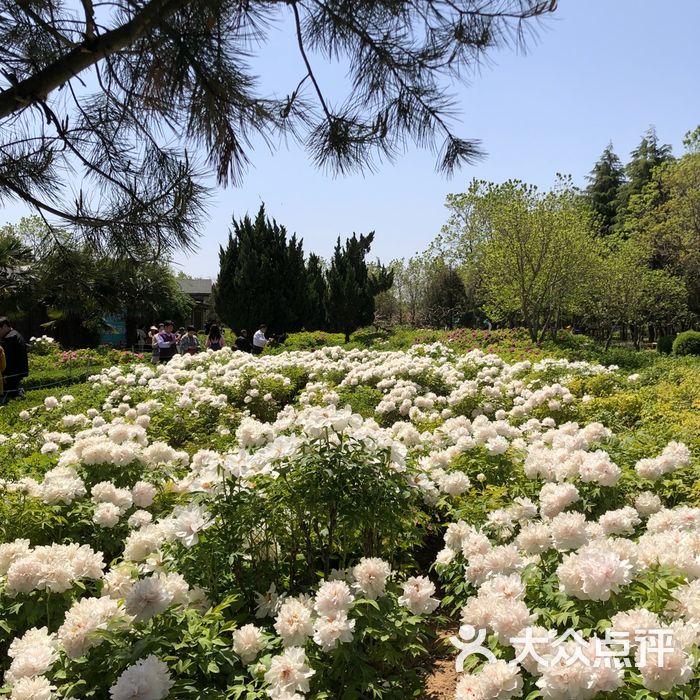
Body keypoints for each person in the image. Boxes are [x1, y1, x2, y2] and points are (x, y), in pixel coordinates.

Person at [0, 318, 28, 400]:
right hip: (17, 372)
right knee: (13, 393)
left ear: (4, 326)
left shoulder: (10, 338)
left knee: (9, 395)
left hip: (11, 374)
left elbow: (8, 359)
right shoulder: (15, 334)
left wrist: (5, 375)